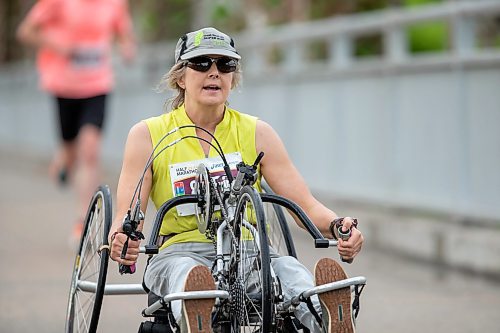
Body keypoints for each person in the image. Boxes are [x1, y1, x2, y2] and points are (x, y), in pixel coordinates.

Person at [109, 27, 364, 332]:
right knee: (187, 275)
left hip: (251, 253)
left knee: (290, 274)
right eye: (202, 63)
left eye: (225, 65)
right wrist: (122, 238)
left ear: (233, 78)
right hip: (179, 251)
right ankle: (196, 313)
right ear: (180, 77)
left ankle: (327, 314)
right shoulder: (147, 135)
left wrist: (339, 226)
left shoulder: (257, 133)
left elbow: (303, 204)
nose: (214, 73)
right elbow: (127, 214)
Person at [16, 0, 135, 243]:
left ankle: (83, 221)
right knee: (70, 151)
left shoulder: (115, 3)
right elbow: (25, 31)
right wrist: (55, 43)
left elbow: (124, 32)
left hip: (98, 84)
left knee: (90, 151)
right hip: (64, 85)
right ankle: (63, 161)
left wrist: (126, 48)